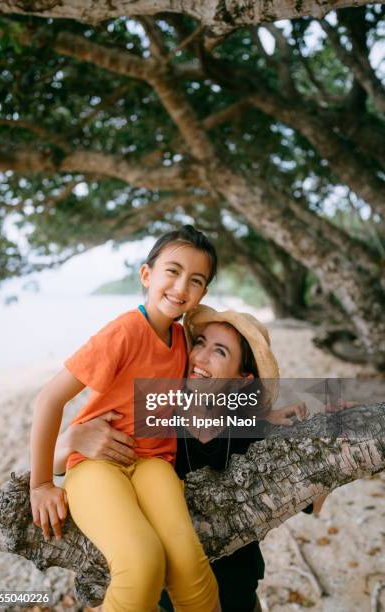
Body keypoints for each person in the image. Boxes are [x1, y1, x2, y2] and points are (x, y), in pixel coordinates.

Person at [54, 305, 317, 612]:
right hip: (168, 597)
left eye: (220, 352)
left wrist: (325, 430)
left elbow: (313, 496)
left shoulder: (253, 429)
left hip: (239, 593)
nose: (201, 357)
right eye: (200, 343)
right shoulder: (158, 418)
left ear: (242, 380)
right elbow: (67, 466)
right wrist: (71, 439)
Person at [29, 226, 223, 612]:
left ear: (202, 294)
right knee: (142, 561)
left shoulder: (183, 341)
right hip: (96, 466)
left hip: (153, 464)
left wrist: (272, 412)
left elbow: (201, 395)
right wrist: (41, 484)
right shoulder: (123, 333)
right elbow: (49, 399)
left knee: (188, 563)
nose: (181, 286)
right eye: (172, 271)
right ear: (147, 275)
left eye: (196, 280)